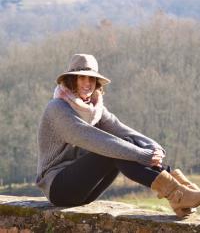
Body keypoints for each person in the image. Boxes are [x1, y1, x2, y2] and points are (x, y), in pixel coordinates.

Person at [36, 53, 200, 218]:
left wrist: (153, 148)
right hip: (58, 188)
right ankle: (175, 195)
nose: (88, 83)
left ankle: (181, 190)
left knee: (125, 143)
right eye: (82, 78)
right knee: (112, 151)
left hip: (85, 190)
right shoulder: (57, 108)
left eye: (92, 79)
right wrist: (141, 155)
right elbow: (88, 138)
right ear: (72, 81)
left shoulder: (94, 109)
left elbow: (122, 130)